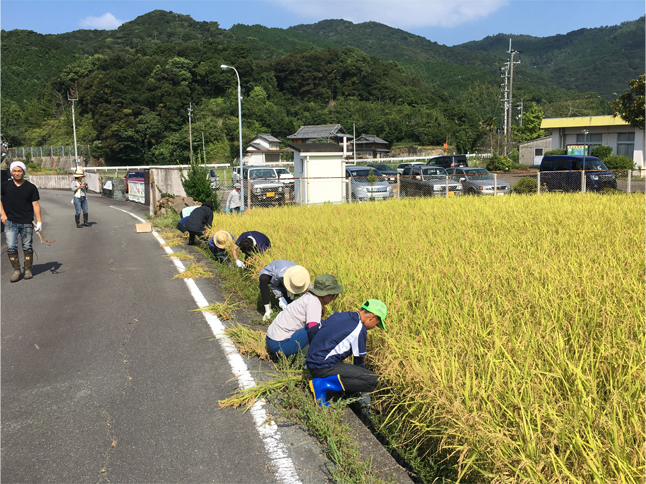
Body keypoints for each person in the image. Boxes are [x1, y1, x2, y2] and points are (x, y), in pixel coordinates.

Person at [306, 299, 387, 407]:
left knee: (344, 368)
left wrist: (313, 355)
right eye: (376, 324)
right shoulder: (359, 328)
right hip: (322, 367)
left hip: (311, 362)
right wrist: (363, 390)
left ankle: (323, 381)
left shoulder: (340, 315)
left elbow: (312, 331)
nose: (373, 328)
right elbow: (358, 363)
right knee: (372, 380)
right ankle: (322, 385)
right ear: (372, 317)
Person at [266, 274, 343, 356]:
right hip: (281, 346)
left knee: (320, 325)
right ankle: (308, 357)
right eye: (333, 295)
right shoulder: (314, 302)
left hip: (271, 340)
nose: (332, 299)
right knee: (321, 327)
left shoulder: (308, 296)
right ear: (326, 294)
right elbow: (313, 329)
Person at [1, 161, 42, 282]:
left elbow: (36, 205)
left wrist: (39, 222)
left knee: (27, 246)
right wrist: (3, 215)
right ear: (11, 172)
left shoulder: (31, 187)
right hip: (10, 222)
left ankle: (28, 270)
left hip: (26, 222)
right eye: (14, 171)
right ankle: (16, 271)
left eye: (19, 171)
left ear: (23, 172)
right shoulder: (5, 186)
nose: (16, 173)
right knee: (11, 247)